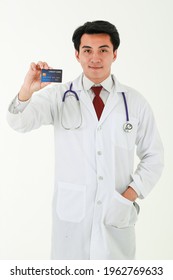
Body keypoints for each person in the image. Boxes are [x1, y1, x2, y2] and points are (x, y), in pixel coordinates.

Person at [7, 20, 164, 260]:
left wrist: (128, 195)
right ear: (77, 55)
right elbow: (19, 122)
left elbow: (154, 156)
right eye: (87, 51)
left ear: (115, 54)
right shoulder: (58, 96)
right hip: (71, 221)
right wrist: (27, 89)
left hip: (116, 219)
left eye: (103, 50)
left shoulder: (134, 102)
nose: (95, 58)